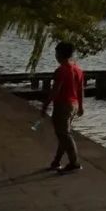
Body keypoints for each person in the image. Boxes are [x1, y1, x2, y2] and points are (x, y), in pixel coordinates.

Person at [41, 41, 84, 174]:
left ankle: (74, 163)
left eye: (56, 53)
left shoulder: (61, 71)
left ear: (59, 54)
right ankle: (56, 161)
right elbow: (80, 90)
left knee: (64, 134)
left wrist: (45, 105)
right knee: (63, 134)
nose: (55, 55)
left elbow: (56, 90)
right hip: (74, 104)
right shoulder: (78, 70)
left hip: (63, 105)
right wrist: (81, 106)